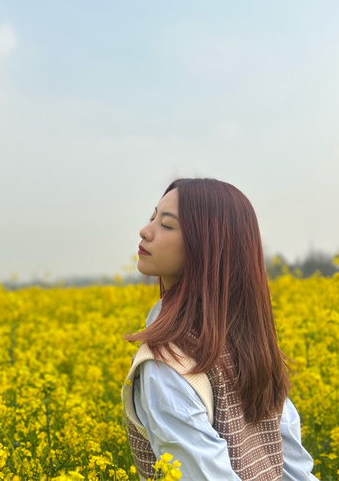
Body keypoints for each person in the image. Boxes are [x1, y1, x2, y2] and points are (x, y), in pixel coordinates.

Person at [121, 178, 317, 481]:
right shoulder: (253, 347)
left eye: (167, 225)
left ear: (207, 246)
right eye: (152, 218)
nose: (145, 231)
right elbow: (295, 471)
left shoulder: (168, 365)